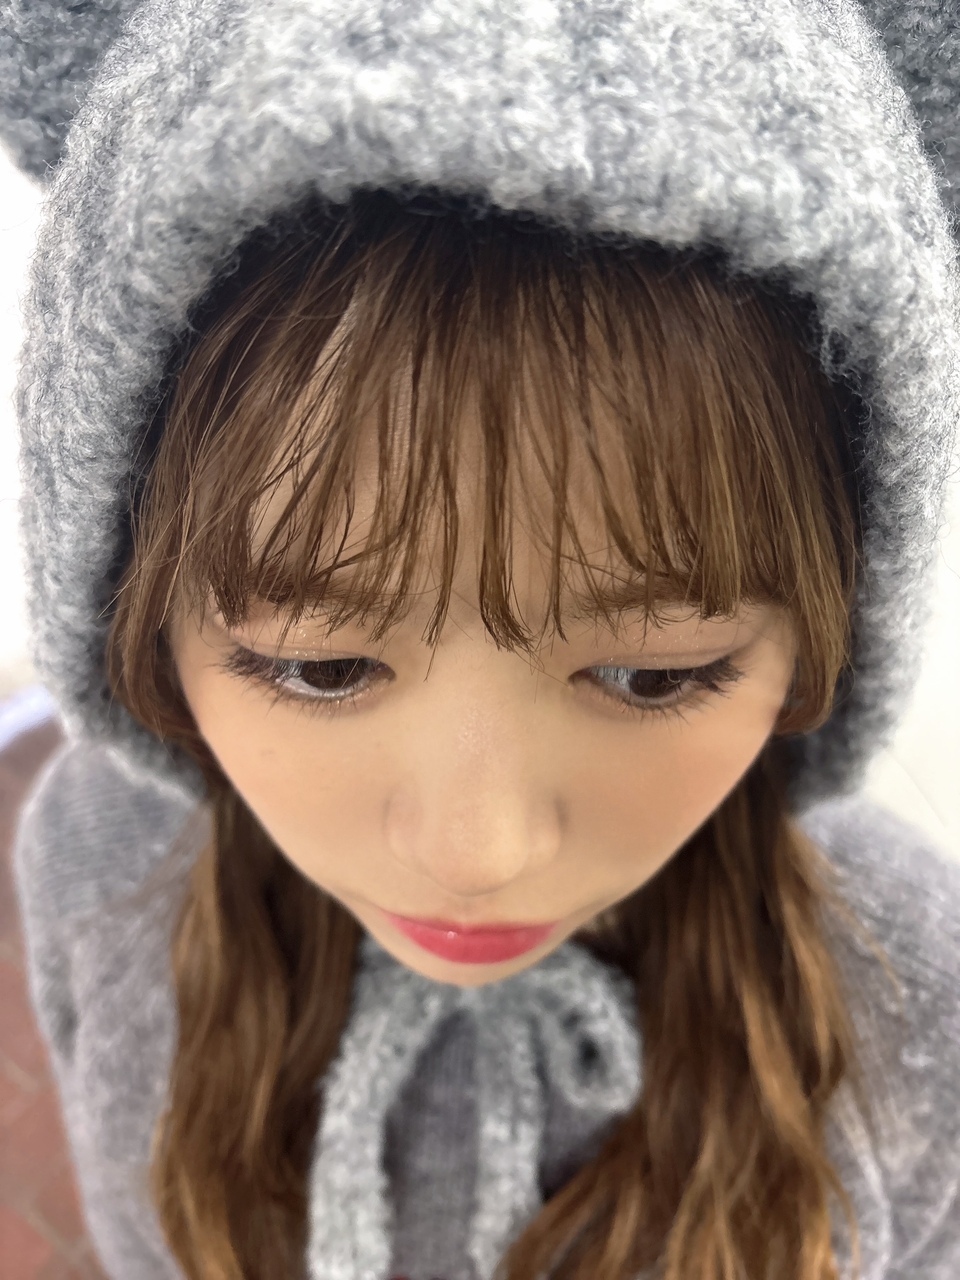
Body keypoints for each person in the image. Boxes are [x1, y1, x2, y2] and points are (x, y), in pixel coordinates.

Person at [2, 1, 959, 1278]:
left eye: (654, 673)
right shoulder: (95, 860)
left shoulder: (914, 983)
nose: (477, 852)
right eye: (323, 664)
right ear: (136, 623)